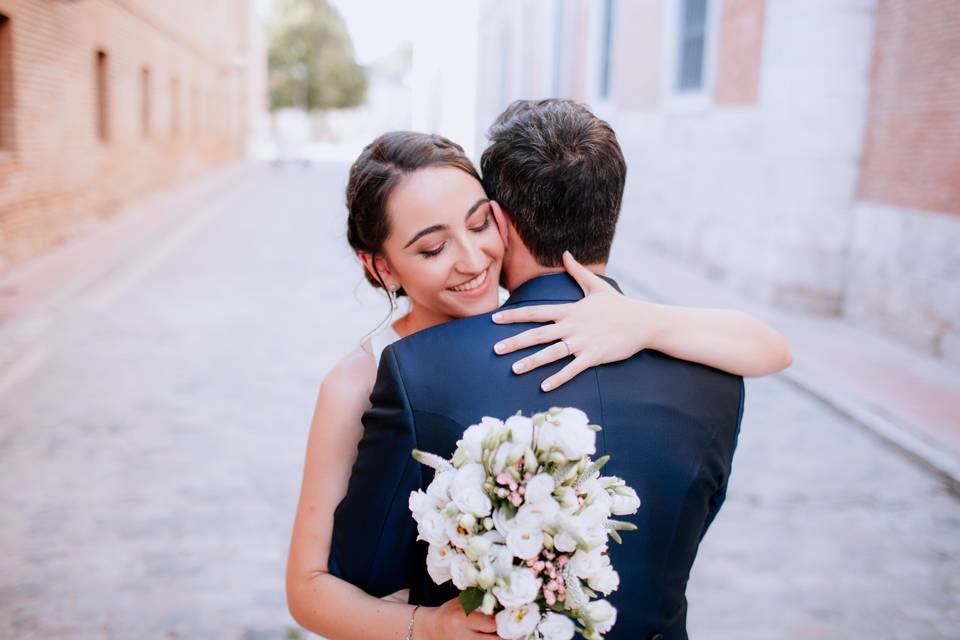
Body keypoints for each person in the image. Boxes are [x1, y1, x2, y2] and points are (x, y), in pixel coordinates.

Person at [288, 109, 791, 639]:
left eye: (481, 223)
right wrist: (427, 628)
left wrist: (647, 321)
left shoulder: (598, 327)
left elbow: (773, 348)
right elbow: (318, 585)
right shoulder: (373, 379)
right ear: (381, 267)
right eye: (433, 248)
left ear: (504, 219)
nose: (471, 259)